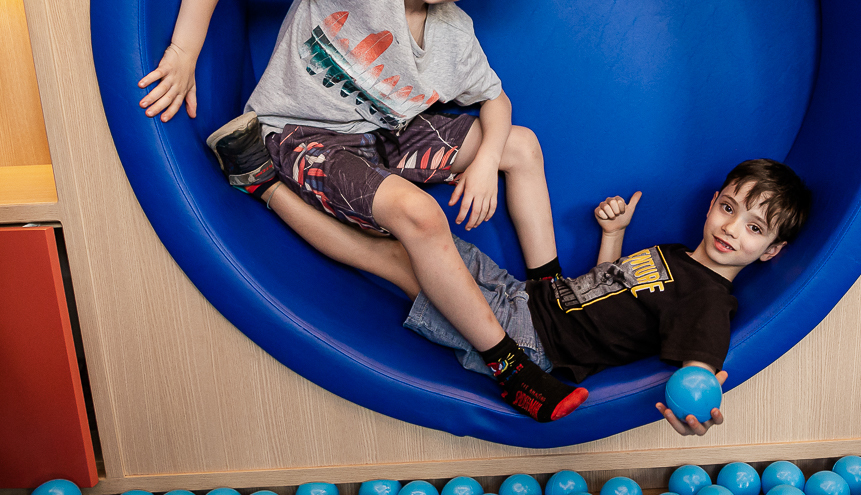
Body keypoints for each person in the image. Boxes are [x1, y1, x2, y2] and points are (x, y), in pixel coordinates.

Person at [137, 0, 587, 423]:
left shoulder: (454, 33)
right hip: (298, 134)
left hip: (381, 139)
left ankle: (551, 294)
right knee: (419, 215)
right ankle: (509, 368)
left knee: (521, 144)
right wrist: (184, 51)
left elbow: (496, 100)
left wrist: (487, 157)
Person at [245, 157, 812, 436]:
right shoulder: (674, 254)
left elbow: (701, 364)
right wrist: (612, 234)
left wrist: (699, 407)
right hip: (526, 297)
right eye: (730, 207)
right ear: (715, 200)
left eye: (755, 229)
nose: (733, 228)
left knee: (393, 259)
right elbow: (607, 287)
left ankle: (266, 186)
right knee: (408, 234)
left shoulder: (709, 300)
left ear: (770, 252)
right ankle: (307, 170)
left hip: (527, 342)